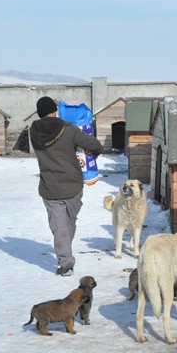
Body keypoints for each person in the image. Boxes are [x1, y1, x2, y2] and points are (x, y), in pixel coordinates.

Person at [29, 96, 103, 276]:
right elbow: (94, 144)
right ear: (55, 110)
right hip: (73, 186)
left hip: (49, 187)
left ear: (39, 113)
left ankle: (64, 253)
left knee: (60, 225)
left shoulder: (34, 131)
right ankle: (66, 262)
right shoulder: (68, 129)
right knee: (67, 224)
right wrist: (92, 156)